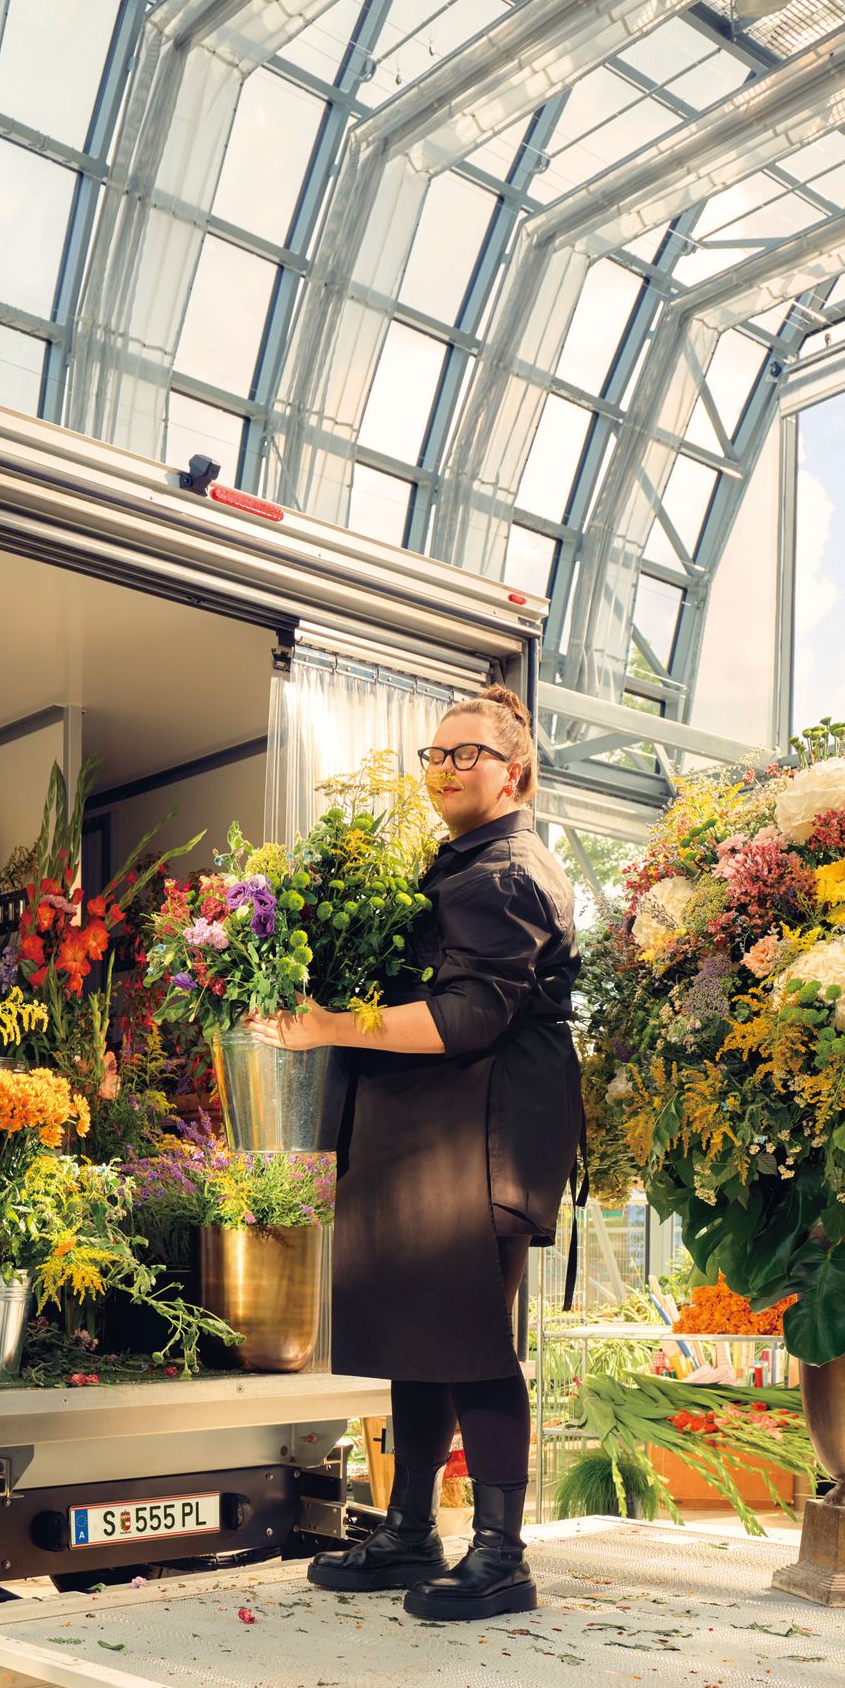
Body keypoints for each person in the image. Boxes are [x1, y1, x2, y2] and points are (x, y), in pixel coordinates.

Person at [248, 684, 581, 1622]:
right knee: (421, 1335)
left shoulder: (507, 872)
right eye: (434, 756)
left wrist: (326, 1024)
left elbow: (473, 1014)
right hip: (433, 1140)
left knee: (472, 1343)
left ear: (515, 770)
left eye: (464, 755)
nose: (442, 770)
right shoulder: (463, 861)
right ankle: (408, 1530)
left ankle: (502, 1556)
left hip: (477, 1141)